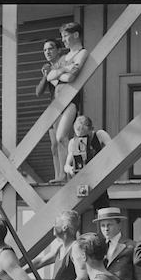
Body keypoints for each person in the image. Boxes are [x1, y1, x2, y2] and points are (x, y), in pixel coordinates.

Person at [46, 22, 89, 183]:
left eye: (65, 35)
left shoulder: (81, 53)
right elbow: (49, 76)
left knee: (61, 137)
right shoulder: (65, 58)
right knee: (56, 141)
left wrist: (60, 73)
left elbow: (72, 77)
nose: (63, 40)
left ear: (76, 35)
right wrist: (64, 69)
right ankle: (63, 174)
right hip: (58, 100)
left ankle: (67, 173)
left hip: (70, 100)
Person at [64, 115, 112, 210]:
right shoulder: (73, 142)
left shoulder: (100, 135)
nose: (82, 140)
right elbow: (66, 166)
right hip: (81, 181)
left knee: (102, 209)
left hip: (98, 179)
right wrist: (70, 170)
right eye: (79, 137)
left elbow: (113, 149)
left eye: (85, 136)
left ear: (91, 129)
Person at [36, 38, 66, 181]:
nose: (47, 52)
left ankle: (63, 175)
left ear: (58, 50)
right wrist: (45, 76)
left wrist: (52, 73)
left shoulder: (63, 63)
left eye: (50, 48)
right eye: (45, 50)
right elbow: (38, 92)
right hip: (53, 110)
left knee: (61, 141)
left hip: (64, 107)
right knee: (53, 146)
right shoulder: (48, 69)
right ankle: (57, 175)